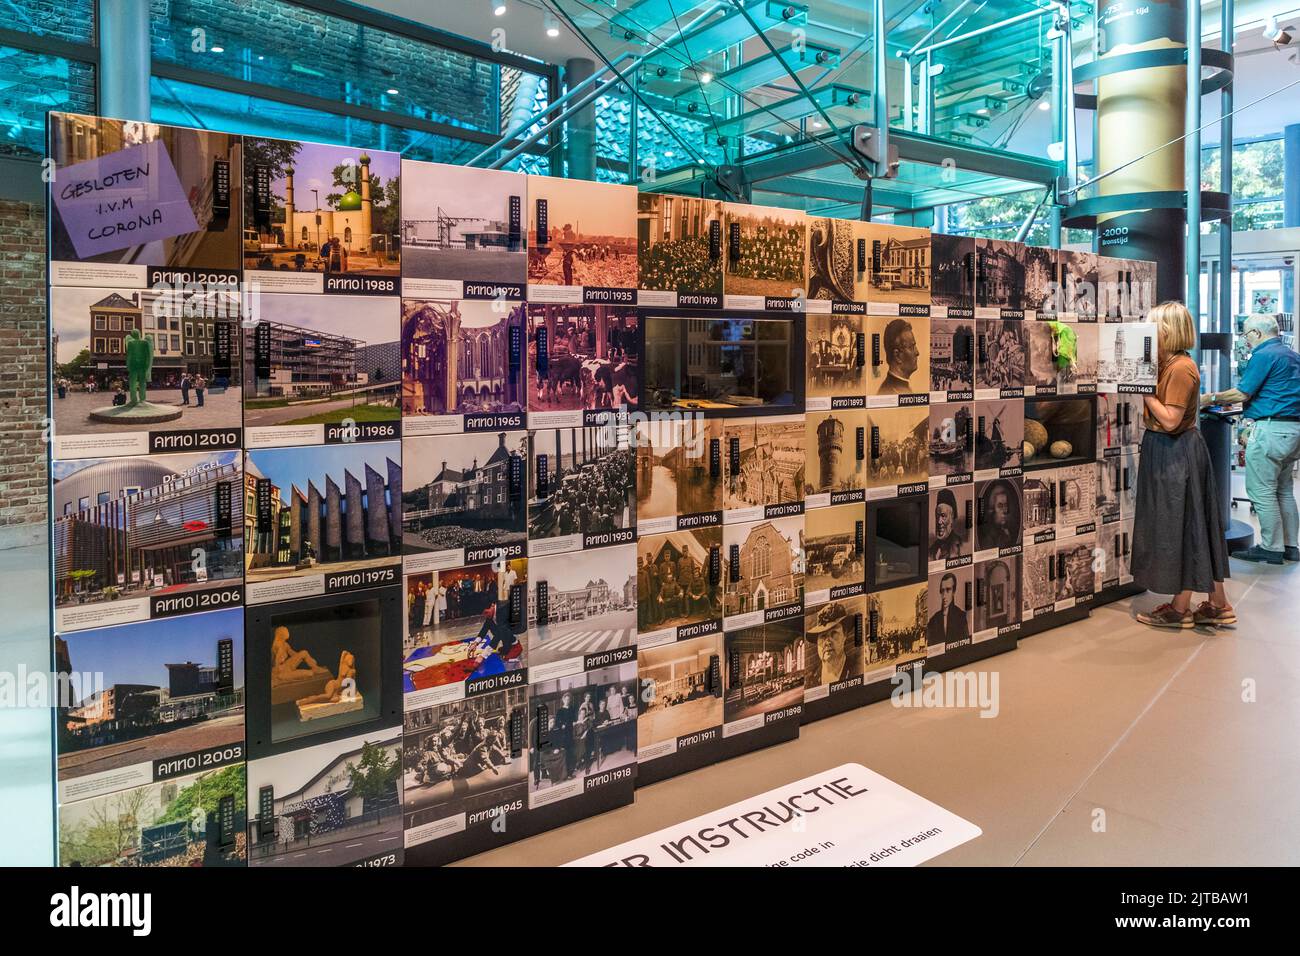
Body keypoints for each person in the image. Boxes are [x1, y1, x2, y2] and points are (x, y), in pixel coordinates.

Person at [1132, 302, 1234, 628]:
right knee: (1194, 523)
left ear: (1166, 331)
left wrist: (1144, 392)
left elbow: (1171, 419)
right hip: (1173, 450)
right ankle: (1216, 603)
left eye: (1153, 326)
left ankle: (1181, 607)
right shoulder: (1174, 365)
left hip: (1174, 451)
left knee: (1181, 523)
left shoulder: (1179, 368)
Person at [1202, 313, 1300, 564]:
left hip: (1269, 431)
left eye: (1246, 335)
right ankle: (1290, 546)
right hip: (1293, 431)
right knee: (1284, 490)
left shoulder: (1264, 355)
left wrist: (1209, 398)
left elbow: (1242, 393)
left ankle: (1271, 548)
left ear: (1256, 334)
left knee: (1262, 491)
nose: (1245, 341)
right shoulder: (1292, 356)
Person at [926, 572, 971, 644]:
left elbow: (966, 643)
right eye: (942, 591)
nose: (944, 596)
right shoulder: (933, 620)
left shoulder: (961, 616)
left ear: (954, 592)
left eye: (948, 590)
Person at [879, 318, 919, 394]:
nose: (917, 352)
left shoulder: (897, 388)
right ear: (897, 356)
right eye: (911, 347)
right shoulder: (890, 392)